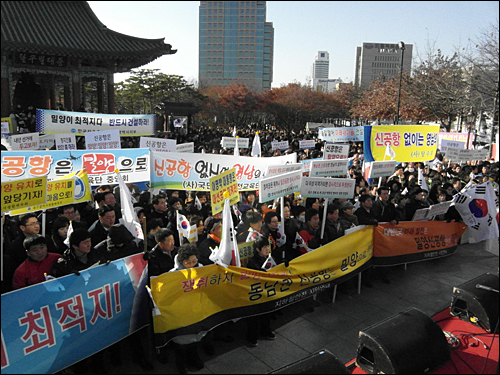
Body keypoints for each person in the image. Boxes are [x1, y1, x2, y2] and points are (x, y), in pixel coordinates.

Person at [245, 236, 276, 347]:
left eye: (268, 247)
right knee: (254, 316)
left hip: (267, 290)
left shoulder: (270, 259)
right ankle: (252, 337)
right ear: (258, 249)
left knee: (266, 312)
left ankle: (265, 330)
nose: (267, 249)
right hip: (256, 293)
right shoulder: (252, 262)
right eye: (264, 248)